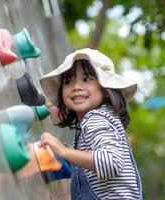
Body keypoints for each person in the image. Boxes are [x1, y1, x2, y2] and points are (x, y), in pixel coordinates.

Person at [38, 48, 142, 199]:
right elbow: (86, 166)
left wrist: (64, 151)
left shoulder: (96, 118)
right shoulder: (93, 123)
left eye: (86, 79)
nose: (76, 87)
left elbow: (112, 162)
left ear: (105, 89)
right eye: (68, 81)